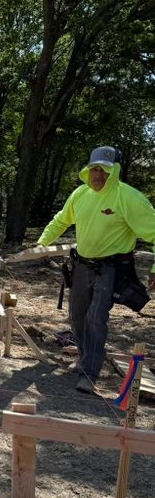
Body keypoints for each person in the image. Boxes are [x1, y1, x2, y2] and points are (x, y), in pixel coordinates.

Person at [36, 146, 155, 393]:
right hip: (81, 266)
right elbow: (61, 220)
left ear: (115, 172)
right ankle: (83, 358)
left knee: (95, 318)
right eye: (95, 169)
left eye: (105, 170)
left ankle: (90, 373)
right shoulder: (80, 195)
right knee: (78, 316)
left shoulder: (129, 198)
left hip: (110, 269)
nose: (98, 175)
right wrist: (41, 244)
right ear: (88, 171)